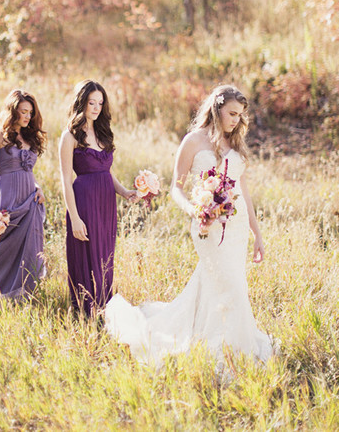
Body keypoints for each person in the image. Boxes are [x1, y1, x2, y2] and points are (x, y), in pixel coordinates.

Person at [105, 85, 274, 367]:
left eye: (240, 115)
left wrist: (256, 233)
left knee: (226, 283)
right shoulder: (193, 141)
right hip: (207, 224)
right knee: (229, 283)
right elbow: (176, 188)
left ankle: (224, 338)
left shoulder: (235, 143)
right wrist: (195, 211)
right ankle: (224, 346)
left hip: (236, 226)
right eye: (232, 113)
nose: (236, 120)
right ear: (217, 109)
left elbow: (243, 191)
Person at [59, 80, 138, 317]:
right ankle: (85, 312)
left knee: (104, 257)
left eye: (100, 103)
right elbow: (65, 180)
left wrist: (124, 192)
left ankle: (105, 310)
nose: (96, 108)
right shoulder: (70, 136)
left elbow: (106, 172)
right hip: (83, 202)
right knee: (84, 256)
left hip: (106, 203)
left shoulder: (103, 133)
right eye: (91, 102)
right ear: (81, 102)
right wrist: (75, 218)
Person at [0, 89, 46, 311]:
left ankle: (19, 303)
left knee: (27, 252)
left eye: (30, 113)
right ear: (13, 111)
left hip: (30, 203)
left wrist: (38, 188)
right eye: (23, 111)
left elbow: (28, 171)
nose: (27, 116)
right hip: (8, 203)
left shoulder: (29, 138)